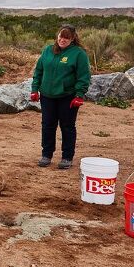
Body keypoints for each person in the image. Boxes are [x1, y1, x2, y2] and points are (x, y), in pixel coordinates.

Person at [30, 24, 91, 169]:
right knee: (47, 125)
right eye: (60, 36)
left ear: (72, 39)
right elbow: (39, 70)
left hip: (67, 97)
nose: (62, 40)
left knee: (67, 126)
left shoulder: (78, 54)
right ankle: (46, 155)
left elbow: (84, 76)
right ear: (57, 36)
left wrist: (79, 95)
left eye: (66, 37)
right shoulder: (48, 50)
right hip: (47, 95)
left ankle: (67, 157)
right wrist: (35, 89)